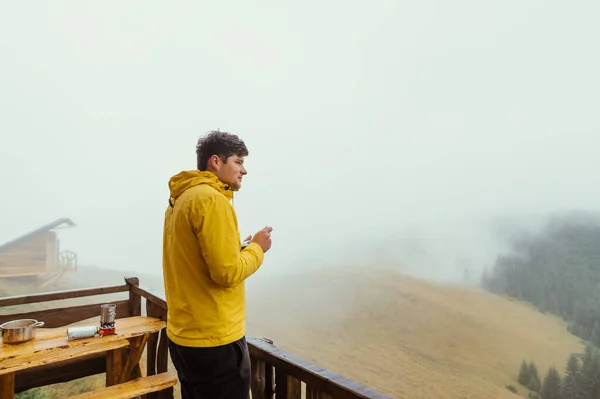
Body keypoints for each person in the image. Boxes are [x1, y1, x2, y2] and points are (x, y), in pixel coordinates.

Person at [162, 130, 273, 399]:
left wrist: (238, 248)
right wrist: (258, 247)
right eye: (238, 161)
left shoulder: (181, 199)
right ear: (215, 161)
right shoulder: (211, 200)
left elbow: (195, 259)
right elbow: (227, 273)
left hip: (184, 336)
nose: (244, 170)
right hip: (215, 341)